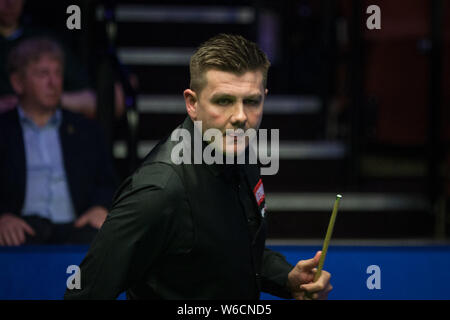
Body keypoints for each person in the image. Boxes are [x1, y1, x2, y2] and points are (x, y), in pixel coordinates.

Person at [64, 34, 332, 300]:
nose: (240, 117)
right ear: (192, 103)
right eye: (223, 101)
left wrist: (286, 277)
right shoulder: (158, 191)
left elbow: (230, 250)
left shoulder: (238, 147)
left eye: (251, 101)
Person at [0, 37, 117, 246]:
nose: (53, 83)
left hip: (77, 228)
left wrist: (101, 207)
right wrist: (2, 217)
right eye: (43, 74)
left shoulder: (87, 131)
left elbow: (108, 182)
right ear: (18, 82)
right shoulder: (4, 129)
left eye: (57, 73)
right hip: (20, 230)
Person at [0, 0, 125, 118]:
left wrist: (42, 101)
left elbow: (103, 102)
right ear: (16, 82)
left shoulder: (43, 41)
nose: (10, 3)